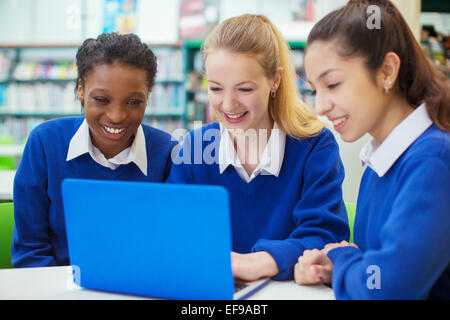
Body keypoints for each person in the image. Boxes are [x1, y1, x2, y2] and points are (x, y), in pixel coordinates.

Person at [168, 14, 349, 281]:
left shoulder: (314, 146)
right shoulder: (196, 146)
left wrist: (260, 262)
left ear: (275, 80)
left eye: (244, 89)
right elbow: (171, 228)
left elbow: (325, 235)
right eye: (216, 89)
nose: (228, 105)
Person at [294, 0, 450, 299]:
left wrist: (341, 259)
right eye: (315, 90)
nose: (320, 107)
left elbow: (386, 288)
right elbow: (372, 266)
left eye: (333, 84)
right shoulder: (378, 162)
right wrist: (335, 267)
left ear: (387, 71)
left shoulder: (433, 159)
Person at [12, 33, 177, 267]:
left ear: (147, 97)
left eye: (133, 102)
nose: (117, 116)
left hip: (140, 286)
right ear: (81, 90)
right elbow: (30, 252)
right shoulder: (45, 144)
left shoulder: (168, 153)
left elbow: (172, 246)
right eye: (101, 99)